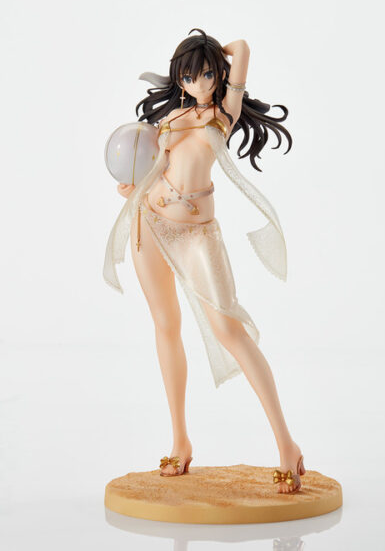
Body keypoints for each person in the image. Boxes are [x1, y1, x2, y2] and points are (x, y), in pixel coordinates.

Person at [103, 28, 305, 493]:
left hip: (197, 236)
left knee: (229, 330)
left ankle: (286, 444)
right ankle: (180, 440)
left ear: (219, 76)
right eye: (189, 76)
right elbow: (156, 167)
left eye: (207, 74)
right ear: (179, 78)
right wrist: (134, 189)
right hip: (149, 225)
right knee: (165, 327)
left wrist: (208, 50)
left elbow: (243, 48)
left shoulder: (223, 113)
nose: (199, 83)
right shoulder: (172, 117)